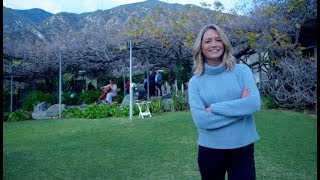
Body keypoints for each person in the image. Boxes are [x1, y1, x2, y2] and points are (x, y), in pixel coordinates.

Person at [188, 24, 261, 180]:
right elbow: (201, 120)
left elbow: (253, 104)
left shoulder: (242, 71)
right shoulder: (195, 82)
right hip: (210, 152)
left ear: (224, 44)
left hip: (243, 150)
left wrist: (214, 108)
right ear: (200, 47)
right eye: (208, 41)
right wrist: (240, 107)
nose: (214, 44)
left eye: (218, 40)